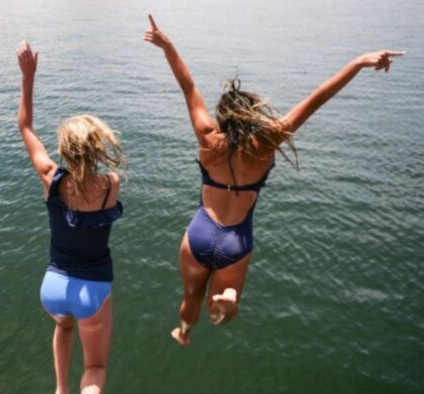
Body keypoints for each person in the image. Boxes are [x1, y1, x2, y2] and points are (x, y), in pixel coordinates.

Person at [144, 15, 404, 346]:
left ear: (224, 115)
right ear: (252, 116)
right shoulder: (265, 143)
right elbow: (317, 99)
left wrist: (168, 46)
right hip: (236, 241)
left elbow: (189, 86)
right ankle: (228, 301)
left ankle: (184, 332)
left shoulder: (209, 139)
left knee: (191, 296)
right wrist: (358, 62)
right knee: (222, 310)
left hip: (199, 234)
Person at [17, 41, 124, 394]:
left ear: (64, 149)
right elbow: (101, 182)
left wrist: (28, 77)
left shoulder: (51, 179)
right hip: (92, 289)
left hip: (53, 286)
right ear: (98, 149)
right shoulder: (110, 184)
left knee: (63, 328)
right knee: (95, 364)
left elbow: (24, 125)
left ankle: (61, 391)